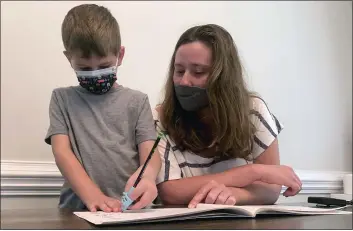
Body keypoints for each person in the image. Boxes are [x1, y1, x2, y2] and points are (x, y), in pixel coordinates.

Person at [154, 24, 302, 208]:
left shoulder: (253, 110)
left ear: (223, 76)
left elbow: (271, 189)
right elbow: (170, 192)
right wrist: (251, 173)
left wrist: (234, 195)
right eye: (179, 71)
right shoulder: (161, 117)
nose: (184, 81)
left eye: (198, 72)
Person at [44, 4, 161, 212]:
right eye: (85, 68)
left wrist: (149, 176)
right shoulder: (62, 99)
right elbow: (61, 152)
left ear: (120, 55)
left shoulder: (138, 101)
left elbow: (150, 154)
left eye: (105, 65)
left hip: (131, 210)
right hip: (78, 212)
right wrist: (94, 196)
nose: (96, 74)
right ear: (68, 59)